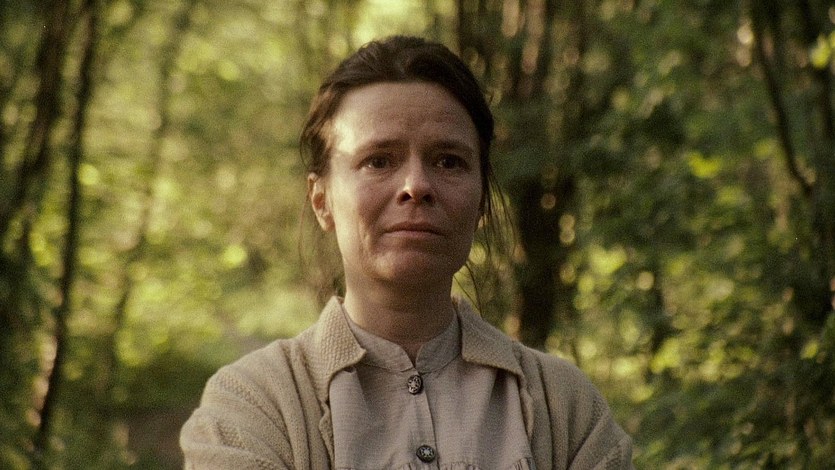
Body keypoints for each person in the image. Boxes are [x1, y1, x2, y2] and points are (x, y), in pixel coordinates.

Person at [180, 35, 633, 469]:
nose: (416, 185)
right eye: (378, 160)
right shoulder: (251, 408)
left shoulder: (567, 410)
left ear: (480, 201)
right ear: (321, 201)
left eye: (449, 161)